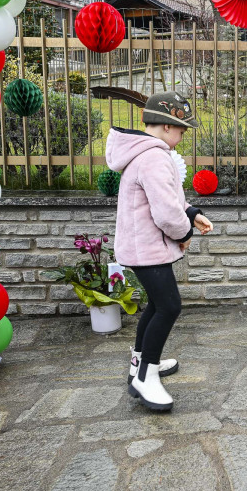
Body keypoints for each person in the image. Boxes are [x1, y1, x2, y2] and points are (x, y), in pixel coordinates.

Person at [103, 90, 214, 411]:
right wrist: (185, 231)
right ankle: (145, 375)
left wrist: (192, 213)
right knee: (169, 307)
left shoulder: (147, 152)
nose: (183, 134)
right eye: (182, 128)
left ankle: (139, 363)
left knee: (156, 304)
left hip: (142, 247)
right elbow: (166, 214)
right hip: (147, 250)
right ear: (167, 126)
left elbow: (169, 197)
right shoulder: (153, 156)